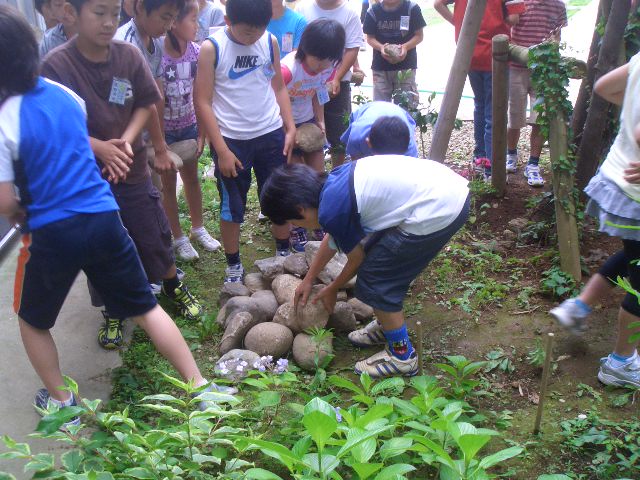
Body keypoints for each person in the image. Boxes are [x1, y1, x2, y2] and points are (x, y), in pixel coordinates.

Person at [0, 4, 222, 430]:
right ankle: (201, 387)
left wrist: (17, 209)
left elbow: (5, 200)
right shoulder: (65, 95)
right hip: (103, 215)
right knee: (146, 306)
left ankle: (64, 403)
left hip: (50, 231)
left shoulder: (5, 117)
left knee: (32, 321)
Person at [41, 0, 203, 352]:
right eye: (98, 13)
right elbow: (52, 125)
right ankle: (113, 309)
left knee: (152, 229)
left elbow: (146, 103)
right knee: (99, 245)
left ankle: (172, 283)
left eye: (114, 14)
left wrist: (126, 143)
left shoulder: (128, 55)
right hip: (87, 178)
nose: (108, 22)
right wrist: (99, 147)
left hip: (131, 168)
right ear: (71, 13)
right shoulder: (56, 65)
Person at [260, 117, 470, 378]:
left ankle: (402, 356)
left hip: (438, 207)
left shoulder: (332, 209)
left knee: (376, 279)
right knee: (379, 262)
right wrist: (310, 278)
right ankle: (387, 326)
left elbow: (356, 258)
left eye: (294, 222)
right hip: (443, 188)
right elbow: (333, 239)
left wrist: (331, 289)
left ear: (300, 210)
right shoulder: (330, 184)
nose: (295, 226)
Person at [551, 54, 640, 389]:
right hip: (635, 195)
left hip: (618, 178)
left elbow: (604, 86)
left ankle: (578, 307)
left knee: (634, 256)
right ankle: (621, 363)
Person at [194, 0, 296, 283]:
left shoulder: (269, 41)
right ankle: (233, 264)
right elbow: (202, 101)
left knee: (278, 195)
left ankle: (284, 251)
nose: (253, 37)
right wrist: (221, 150)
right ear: (228, 21)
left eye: (259, 30)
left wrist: (289, 127)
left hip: (270, 133)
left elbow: (278, 86)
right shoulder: (212, 48)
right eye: (247, 31)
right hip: (232, 140)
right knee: (232, 204)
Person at [434, 0, 524, 181]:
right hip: (494, 53)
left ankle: (480, 158)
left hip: (469, 51)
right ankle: (492, 167)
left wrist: (459, 23)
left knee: (480, 105)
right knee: (493, 111)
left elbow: (438, 4)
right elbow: (514, 18)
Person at [161, 0, 222, 261]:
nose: (198, 25)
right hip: (164, 133)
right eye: (193, 20)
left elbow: (201, 96)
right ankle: (178, 237)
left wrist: (201, 134)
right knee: (167, 185)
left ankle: (198, 228)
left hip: (188, 126)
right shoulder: (157, 54)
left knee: (192, 179)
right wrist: (159, 143)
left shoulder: (196, 53)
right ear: (174, 22)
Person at [281, 18, 344, 248]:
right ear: (306, 48)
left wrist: (320, 121)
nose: (322, 66)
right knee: (297, 177)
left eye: (328, 61)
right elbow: (273, 100)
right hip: (284, 125)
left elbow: (319, 94)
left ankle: (318, 221)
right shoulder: (288, 70)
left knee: (318, 176)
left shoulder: (327, 68)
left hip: (308, 122)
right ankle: (296, 226)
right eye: (318, 59)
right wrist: (288, 130)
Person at [506, 0, 567, 187]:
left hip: (542, 71)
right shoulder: (520, 2)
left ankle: (533, 164)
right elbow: (507, 31)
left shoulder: (558, 6)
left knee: (540, 118)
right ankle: (511, 154)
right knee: (514, 116)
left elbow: (557, 36)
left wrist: (552, 47)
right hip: (516, 68)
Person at [297, 0, 363, 168]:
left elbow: (352, 49)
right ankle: (307, 172)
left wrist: (336, 78)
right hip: (304, 84)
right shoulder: (303, 8)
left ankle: (336, 170)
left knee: (339, 131)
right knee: (306, 131)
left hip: (337, 83)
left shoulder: (349, 13)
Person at [363, 0, 425, 108]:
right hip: (381, 67)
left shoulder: (411, 8)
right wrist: (381, 47)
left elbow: (419, 35)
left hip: (406, 67)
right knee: (380, 108)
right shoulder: (373, 11)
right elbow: (370, 38)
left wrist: (405, 47)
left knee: (406, 107)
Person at [340, 100, 419, 159]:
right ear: (368, 143)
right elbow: (356, 166)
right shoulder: (357, 136)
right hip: (368, 110)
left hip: (399, 112)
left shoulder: (410, 151)